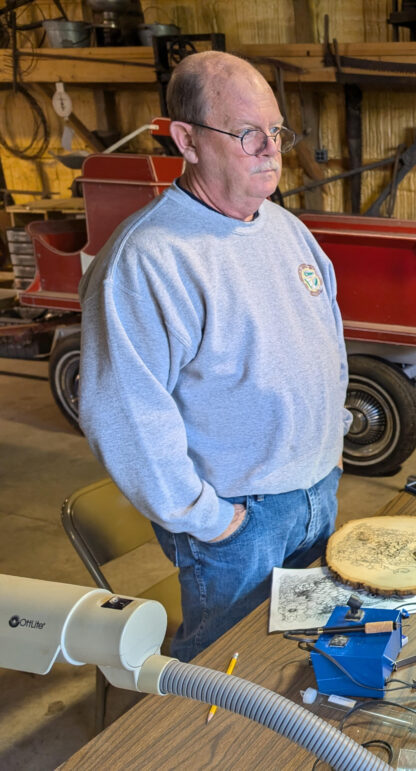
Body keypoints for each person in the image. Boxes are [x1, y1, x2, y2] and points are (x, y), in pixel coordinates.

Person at [78, 51, 352, 662]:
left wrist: (327, 456)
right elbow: (125, 416)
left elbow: (329, 348)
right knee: (224, 684)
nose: (270, 149)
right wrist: (209, 519)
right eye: (247, 132)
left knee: (301, 664)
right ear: (188, 139)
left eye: (276, 131)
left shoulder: (286, 230)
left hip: (315, 498)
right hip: (238, 522)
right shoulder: (149, 258)